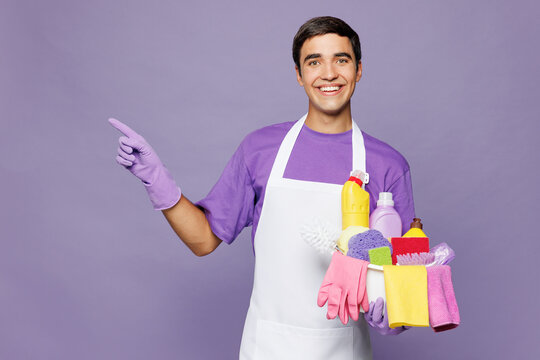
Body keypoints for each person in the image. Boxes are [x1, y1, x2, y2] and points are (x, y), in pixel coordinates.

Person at [110, 16, 414, 360]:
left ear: (358, 69)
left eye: (341, 59)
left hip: (344, 350)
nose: (328, 73)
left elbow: (398, 277)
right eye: (314, 61)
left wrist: (395, 317)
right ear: (299, 75)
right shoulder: (260, 150)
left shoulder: (388, 165)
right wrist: (157, 182)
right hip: (266, 347)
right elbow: (203, 239)